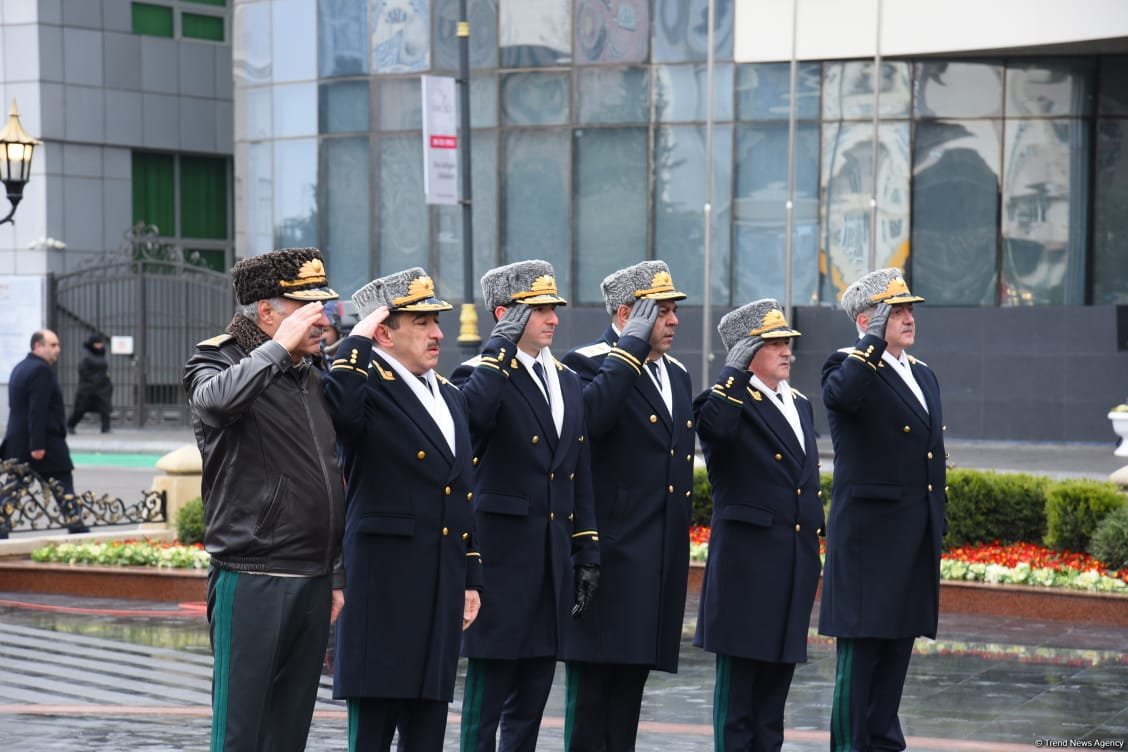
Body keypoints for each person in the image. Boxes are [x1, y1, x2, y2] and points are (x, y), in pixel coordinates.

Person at [183, 247, 346, 752]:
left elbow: (330, 476)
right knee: (242, 726)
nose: (319, 317)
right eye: (305, 306)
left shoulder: (312, 372)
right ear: (268, 312)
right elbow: (215, 403)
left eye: (321, 305)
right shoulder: (219, 357)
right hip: (253, 574)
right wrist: (276, 352)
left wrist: (335, 575)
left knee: (289, 727)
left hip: (314, 577)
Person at [323, 267, 482, 751]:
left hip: (440, 583)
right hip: (384, 589)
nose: (438, 334)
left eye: (436, 322)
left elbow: (461, 492)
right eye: (421, 323)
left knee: (427, 731)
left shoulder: (449, 395)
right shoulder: (365, 386)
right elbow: (340, 414)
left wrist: (471, 574)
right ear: (384, 333)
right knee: (373, 733)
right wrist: (355, 343)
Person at [451, 259, 600, 752]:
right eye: (538, 310)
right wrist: (498, 347)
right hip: (501, 557)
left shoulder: (567, 379)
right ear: (504, 314)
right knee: (486, 702)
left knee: (531, 701)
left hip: (551, 558)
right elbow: (472, 423)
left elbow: (577, 471)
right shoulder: (480, 373)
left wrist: (587, 551)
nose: (553, 318)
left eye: (553, 308)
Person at [559, 260, 695, 751]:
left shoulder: (677, 375)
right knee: (593, 694)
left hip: (655, 558)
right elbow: (588, 423)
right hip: (610, 556)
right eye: (662, 312)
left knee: (629, 695)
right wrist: (631, 349)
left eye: (674, 311)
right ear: (626, 313)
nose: (675, 321)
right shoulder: (587, 362)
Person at [819, 268, 946, 752]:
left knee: (895, 657)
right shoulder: (846, 364)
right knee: (862, 662)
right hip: (870, 543)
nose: (909, 318)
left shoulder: (923, 374)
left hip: (913, 537)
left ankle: (884, 744)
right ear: (867, 320)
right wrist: (871, 344)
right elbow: (843, 397)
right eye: (897, 311)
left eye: (910, 308)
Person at [693, 299, 823, 752]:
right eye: (773, 343)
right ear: (748, 351)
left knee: (772, 703)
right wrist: (731, 375)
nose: (787, 350)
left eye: (788, 341)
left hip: (792, 563)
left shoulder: (800, 404)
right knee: (738, 704)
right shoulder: (723, 401)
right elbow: (715, 432)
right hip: (747, 568)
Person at [1, 329, 89, 534]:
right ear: (37, 346)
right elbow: (37, 410)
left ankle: (0, 527)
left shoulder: (20, 367)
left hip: (19, 443)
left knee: (12, 488)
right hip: (43, 444)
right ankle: (76, 526)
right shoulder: (41, 371)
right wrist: (38, 445)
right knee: (63, 483)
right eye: (52, 345)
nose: (58, 349)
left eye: (57, 345)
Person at [67, 333, 113, 434]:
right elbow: (83, 370)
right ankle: (70, 425)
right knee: (81, 408)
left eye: (100, 343)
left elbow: (102, 367)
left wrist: (105, 375)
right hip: (88, 387)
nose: (100, 345)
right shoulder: (86, 355)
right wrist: (95, 379)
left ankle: (106, 428)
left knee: (104, 407)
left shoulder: (100, 353)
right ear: (93, 344)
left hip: (102, 386)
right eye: (97, 343)